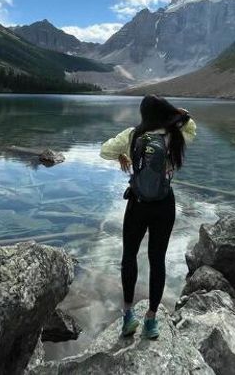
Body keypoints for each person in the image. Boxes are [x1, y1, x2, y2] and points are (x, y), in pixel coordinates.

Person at [100, 94, 196, 339]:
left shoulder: (133, 135)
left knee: (129, 257)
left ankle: (128, 315)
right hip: (165, 205)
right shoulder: (175, 135)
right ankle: (151, 320)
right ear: (164, 112)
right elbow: (191, 126)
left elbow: (104, 151)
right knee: (157, 260)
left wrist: (122, 155)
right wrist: (178, 113)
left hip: (138, 204)